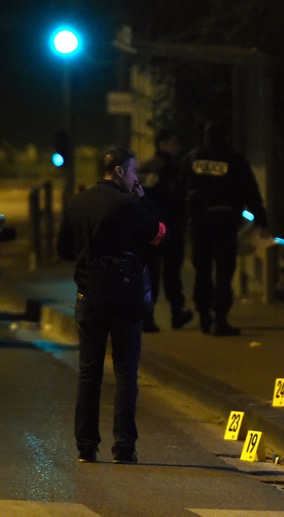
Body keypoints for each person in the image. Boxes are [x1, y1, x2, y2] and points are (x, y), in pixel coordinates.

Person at [57, 148, 167, 464]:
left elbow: (63, 249)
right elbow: (159, 234)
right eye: (133, 172)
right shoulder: (128, 204)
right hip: (124, 298)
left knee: (89, 372)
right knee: (125, 373)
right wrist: (144, 200)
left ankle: (86, 445)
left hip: (88, 296)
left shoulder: (77, 203)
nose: (136, 179)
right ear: (119, 171)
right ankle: (124, 447)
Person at [182, 122, 271, 336]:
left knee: (202, 270)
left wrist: (181, 217)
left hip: (200, 221)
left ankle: (204, 315)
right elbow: (250, 190)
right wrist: (261, 220)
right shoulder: (234, 159)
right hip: (225, 221)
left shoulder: (193, 158)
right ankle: (220, 318)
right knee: (224, 270)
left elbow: (180, 187)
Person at [138, 128, 193, 332]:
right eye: (173, 143)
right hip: (169, 227)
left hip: (148, 228)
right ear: (162, 144)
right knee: (172, 273)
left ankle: (147, 318)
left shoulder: (143, 168)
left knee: (150, 273)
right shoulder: (171, 169)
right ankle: (177, 313)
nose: (177, 147)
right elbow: (177, 198)